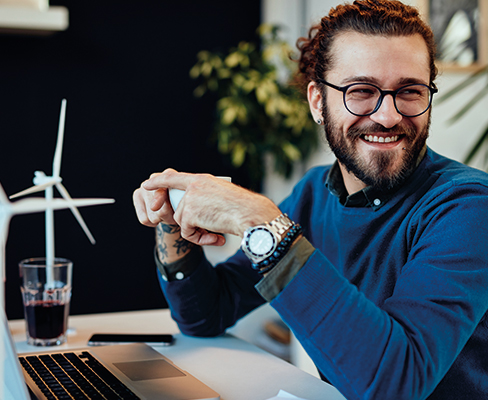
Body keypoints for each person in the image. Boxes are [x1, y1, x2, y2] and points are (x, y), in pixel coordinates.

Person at [133, 1, 488, 399]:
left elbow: (396, 383)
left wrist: (259, 221)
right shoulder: (315, 192)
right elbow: (206, 313)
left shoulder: (468, 207)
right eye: (361, 91)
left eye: (409, 91)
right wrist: (171, 219)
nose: (388, 115)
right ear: (318, 101)